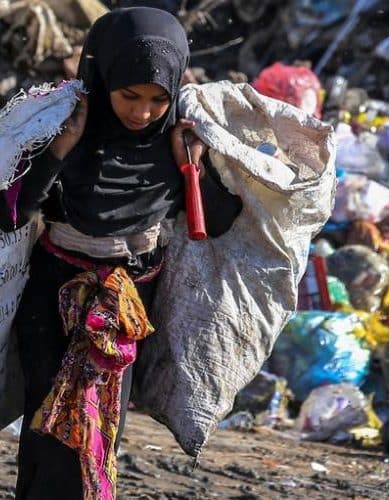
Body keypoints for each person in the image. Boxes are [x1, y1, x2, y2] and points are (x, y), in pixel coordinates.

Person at [1, 7, 241, 499]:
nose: (142, 111)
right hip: (56, 295)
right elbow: (14, 212)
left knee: (102, 424)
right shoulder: (65, 125)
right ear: (104, 72)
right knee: (50, 427)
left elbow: (216, 223)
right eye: (130, 95)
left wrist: (191, 169)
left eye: (158, 99)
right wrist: (58, 151)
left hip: (128, 304)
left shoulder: (182, 139)